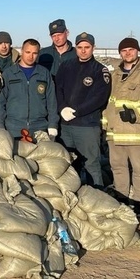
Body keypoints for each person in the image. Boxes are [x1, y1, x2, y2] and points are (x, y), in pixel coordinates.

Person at [101, 37, 140, 216]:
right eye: (124, 50)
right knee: (118, 167)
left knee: (139, 169)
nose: (128, 53)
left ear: (137, 51)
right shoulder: (114, 75)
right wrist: (105, 125)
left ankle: (139, 200)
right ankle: (122, 197)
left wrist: (135, 114)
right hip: (115, 132)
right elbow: (108, 102)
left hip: (136, 132)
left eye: (131, 50)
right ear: (120, 53)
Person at [55, 32, 112, 189]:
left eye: (87, 47)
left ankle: (97, 197)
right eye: (80, 47)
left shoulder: (100, 70)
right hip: (65, 126)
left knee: (91, 164)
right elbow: (58, 88)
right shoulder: (66, 66)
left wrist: (77, 111)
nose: (83, 50)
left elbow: (100, 98)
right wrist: (62, 108)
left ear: (93, 48)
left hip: (87, 126)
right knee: (69, 164)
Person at [0, 39, 58, 140]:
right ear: (21, 51)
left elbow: (52, 102)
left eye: (34, 53)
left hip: (39, 129)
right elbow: (0, 103)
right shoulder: (9, 74)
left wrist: (53, 125)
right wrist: (0, 127)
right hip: (14, 129)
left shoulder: (44, 74)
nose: (31, 56)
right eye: (28, 52)